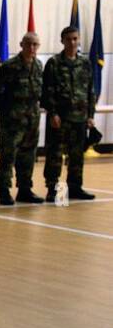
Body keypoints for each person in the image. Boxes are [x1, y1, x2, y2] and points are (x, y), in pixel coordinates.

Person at [41, 26, 96, 201]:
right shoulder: (54, 63)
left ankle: (75, 187)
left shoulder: (85, 63)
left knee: (77, 155)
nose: (72, 42)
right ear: (62, 41)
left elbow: (90, 91)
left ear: (79, 40)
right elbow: (47, 91)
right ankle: (54, 190)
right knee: (55, 155)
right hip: (60, 118)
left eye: (75, 39)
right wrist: (53, 113)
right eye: (69, 39)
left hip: (80, 118)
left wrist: (90, 115)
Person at [0, 32, 46, 205]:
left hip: (32, 120)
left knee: (28, 156)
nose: (32, 48)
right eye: (28, 44)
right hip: (12, 121)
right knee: (8, 156)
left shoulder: (38, 66)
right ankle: (3, 190)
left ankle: (24, 189)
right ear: (21, 45)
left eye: (35, 45)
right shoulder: (9, 66)